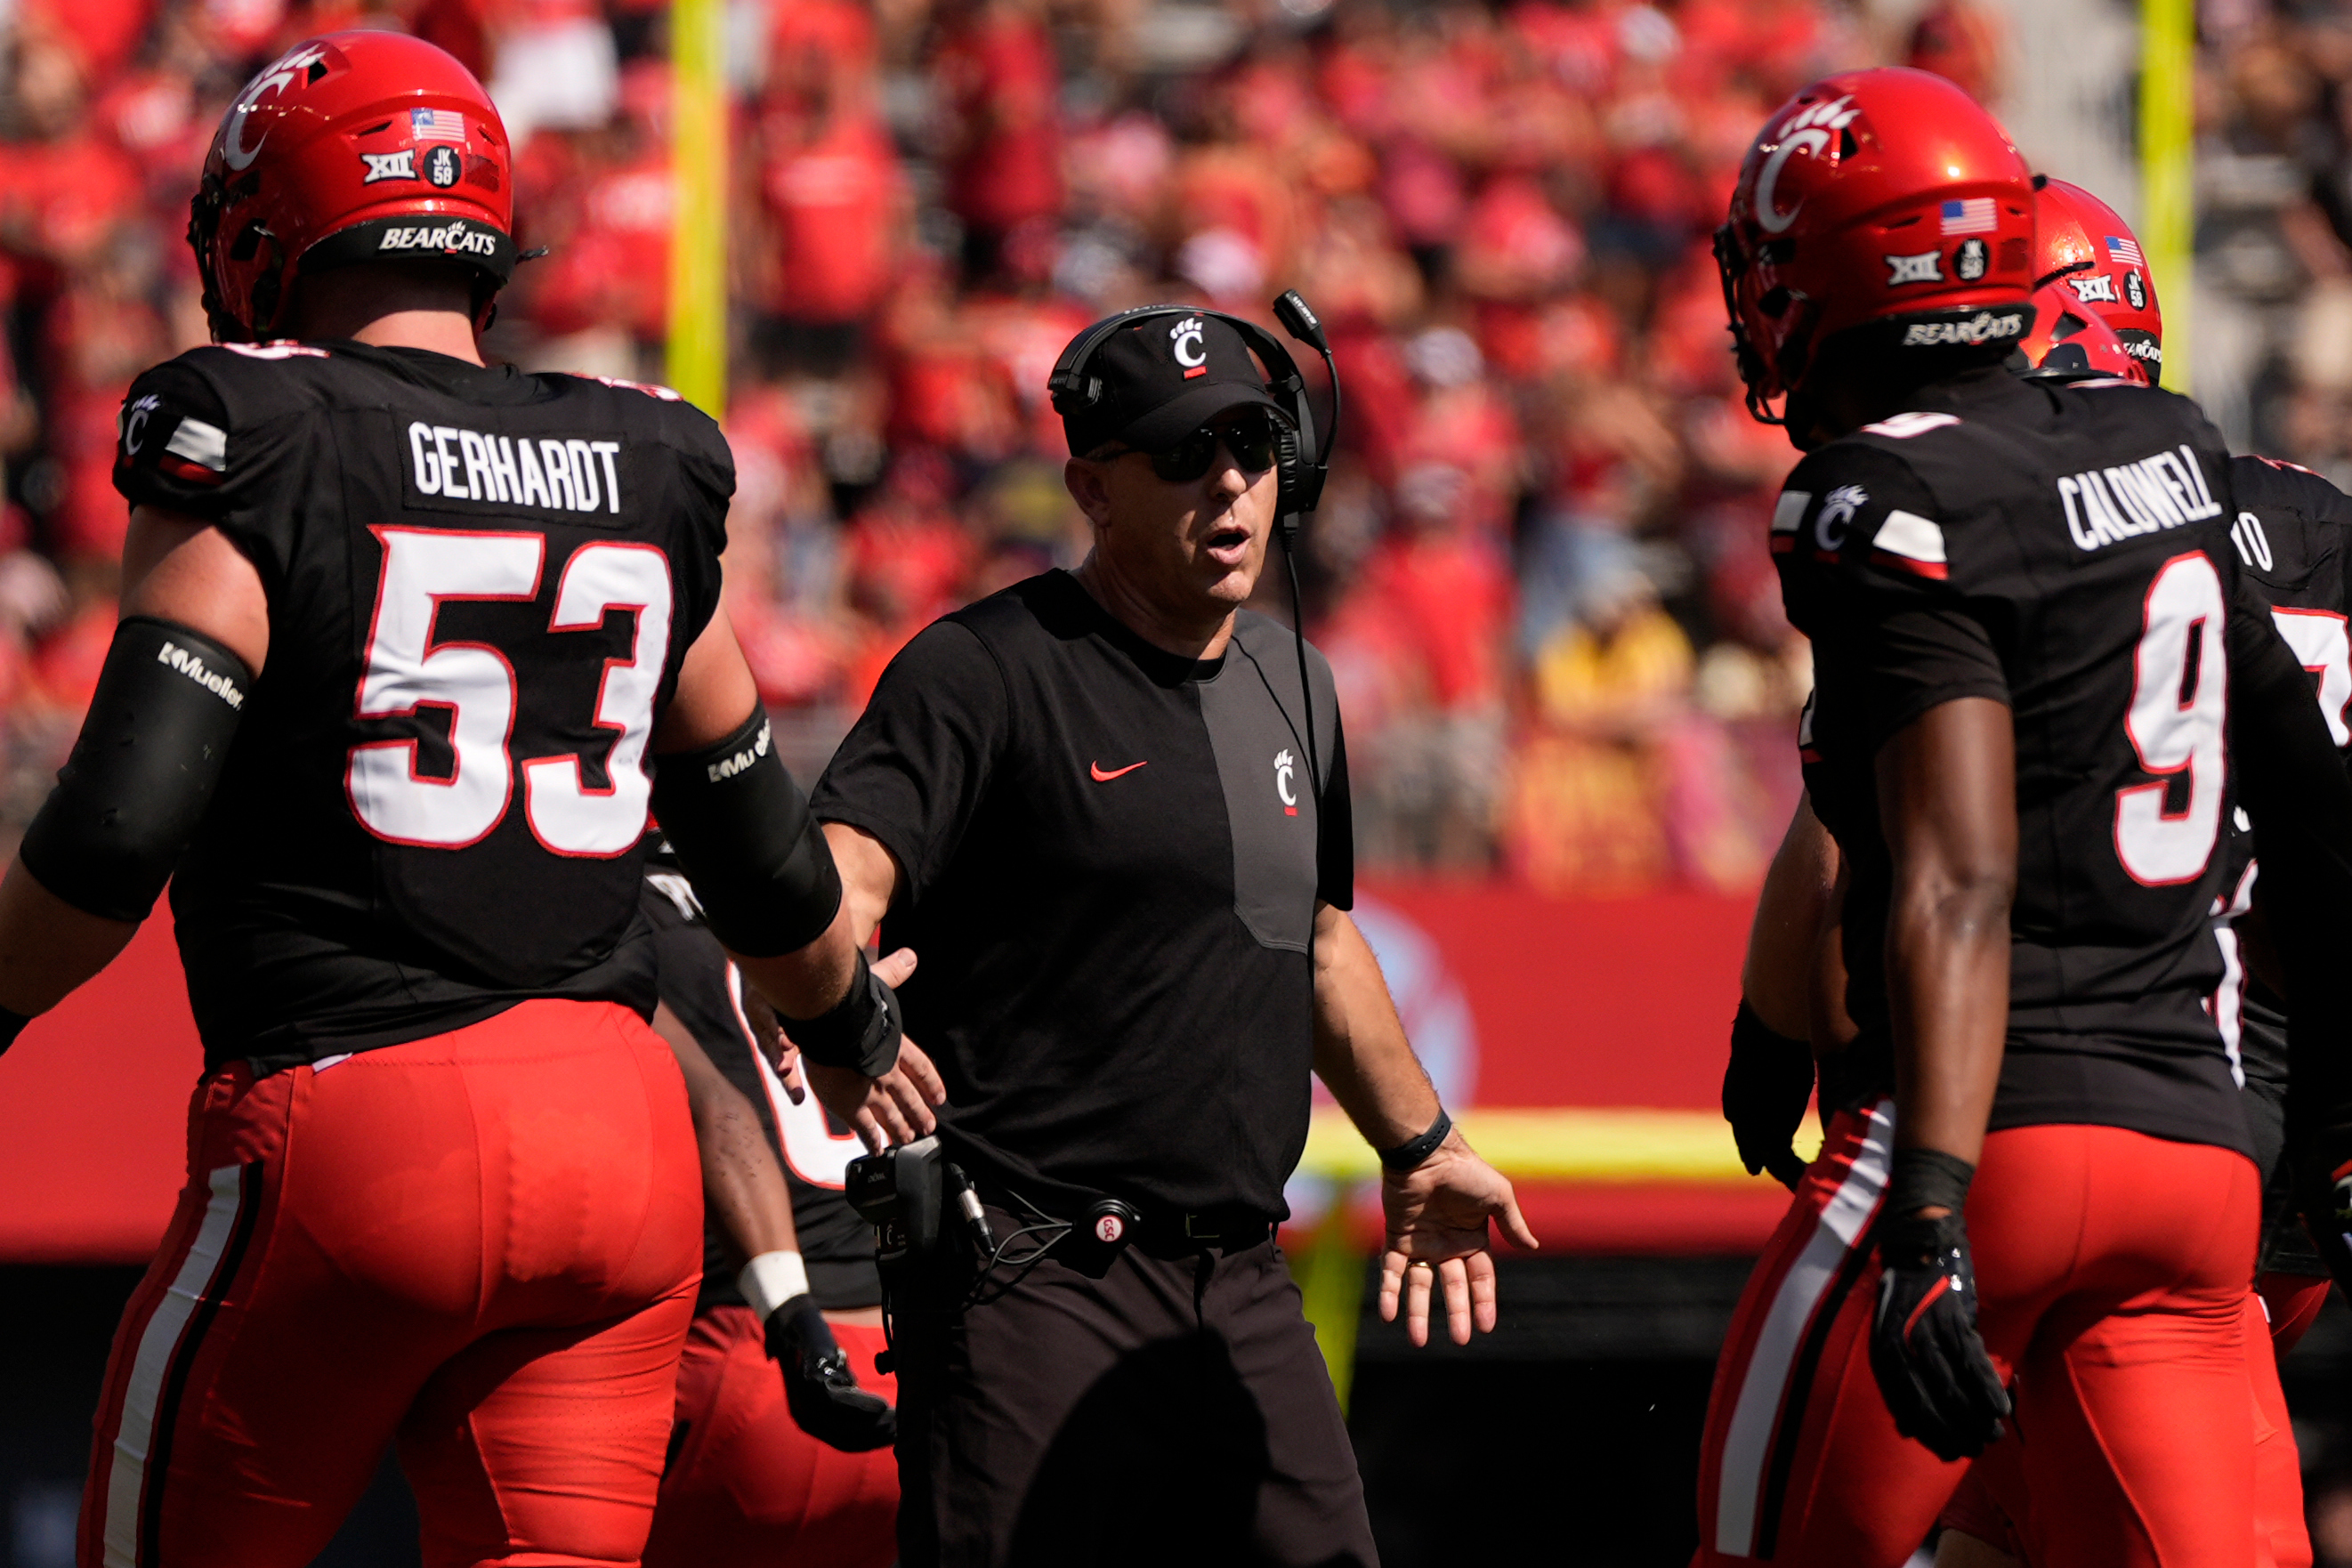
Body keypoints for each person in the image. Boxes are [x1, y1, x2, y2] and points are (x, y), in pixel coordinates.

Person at [0, 33, 914, 1568]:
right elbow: (765, 865)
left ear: (268, 228)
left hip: (359, 1115)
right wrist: (852, 1034)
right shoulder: (642, 457)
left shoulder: (261, 425)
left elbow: (114, 827)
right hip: (620, 1146)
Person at [1692, 67, 2352, 1566]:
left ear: (1848, 267)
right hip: (2202, 1155)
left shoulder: (1879, 497)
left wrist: (1922, 1200)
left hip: (1990, 1132)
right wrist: (2337, 1119)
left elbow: (1949, 872)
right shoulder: (2175, 454)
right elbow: (2318, 801)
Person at [801, 300, 1534, 1567]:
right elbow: (835, 878)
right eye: (1185, 452)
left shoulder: (1293, 681)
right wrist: (839, 1013)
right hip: (1028, 1278)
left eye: (1252, 445)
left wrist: (1419, 1142)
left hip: (1236, 1283)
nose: (1231, 480)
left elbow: (1312, 937)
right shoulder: (980, 671)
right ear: (1090, 485)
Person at [640, 852, 901, 1568]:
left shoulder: (602, 912)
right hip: (902, 1365)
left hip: (757, 1358)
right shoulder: (807, 888)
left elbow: (719, 1118)